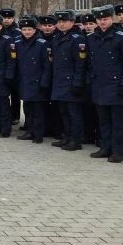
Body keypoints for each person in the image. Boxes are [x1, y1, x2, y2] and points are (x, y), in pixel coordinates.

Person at [86, 5, 123, 163]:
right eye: (99, 19)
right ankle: (105, 148)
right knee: (104, 121)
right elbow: (90, 63)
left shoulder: (122, 37)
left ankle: (117, 152)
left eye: (105, 19)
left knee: (118, 122)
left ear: (111, 19)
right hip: (99, 86)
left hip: (116, 86)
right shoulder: (92, 38)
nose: (102, 22)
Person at [49, 10, 88, 151]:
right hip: (59, 81)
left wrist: (77, 82)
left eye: (64, 21)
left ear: (72, 22)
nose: (61, 24)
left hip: (71, 81)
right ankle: (67, 136)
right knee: (63, 112)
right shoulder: (57, 38)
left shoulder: (78, 39)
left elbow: (81, 63)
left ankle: (76, 139)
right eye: (59, 22)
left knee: (74, 113)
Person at [14, 17, 52, 143]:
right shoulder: (18, 42)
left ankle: (38, 134)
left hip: (37, 82)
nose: (27, 32)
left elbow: (47, 65)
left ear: (35, 30)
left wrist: (44, 81)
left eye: (29, 29)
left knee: (38, 111)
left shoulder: (42, 43)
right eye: (24, 29)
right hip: (24, 81)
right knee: (27, 109)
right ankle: (29, 131)